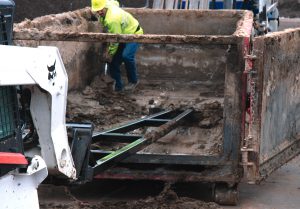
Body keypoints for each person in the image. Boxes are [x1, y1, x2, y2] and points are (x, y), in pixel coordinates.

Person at [91, 0, 143, 92]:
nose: (99, 12)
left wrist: (110, 53)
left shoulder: (112, 20)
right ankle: (118, 87)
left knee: (126, 56)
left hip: (134, 33)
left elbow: (115, 40)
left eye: (100, 10)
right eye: (97, 10)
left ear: (104, 7)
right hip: (122, 34)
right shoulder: (108, 4)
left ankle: (133, 81)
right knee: (113, 61)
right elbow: (116, 2)